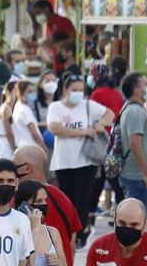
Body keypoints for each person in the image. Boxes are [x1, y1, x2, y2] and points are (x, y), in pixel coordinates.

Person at [47, 73, 111, 230]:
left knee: (82, 198)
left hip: (85, 160)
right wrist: (83, 132)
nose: (78, 93)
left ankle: (81, 232)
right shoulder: (56, 107)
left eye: (80, 90)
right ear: (65, 90)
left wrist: (101, 123)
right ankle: (67, 230)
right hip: (63, 161)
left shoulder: (87, 105)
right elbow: (55, 128)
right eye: (74, 90)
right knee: (67, 198)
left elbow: (110, 113)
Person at [11, 145, 83, 258]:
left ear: (27, 168)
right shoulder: (65, 200)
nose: (11, 171)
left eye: (14, 165)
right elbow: (72, 244)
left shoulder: (20, 199)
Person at [116, 72, 147, 220]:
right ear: (137, 90)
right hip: (137, 177)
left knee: (137, 220)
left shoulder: (135, 109)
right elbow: (135, 145)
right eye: (146, 84)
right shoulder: (135, 112)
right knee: (136, 220)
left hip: (138, 176)